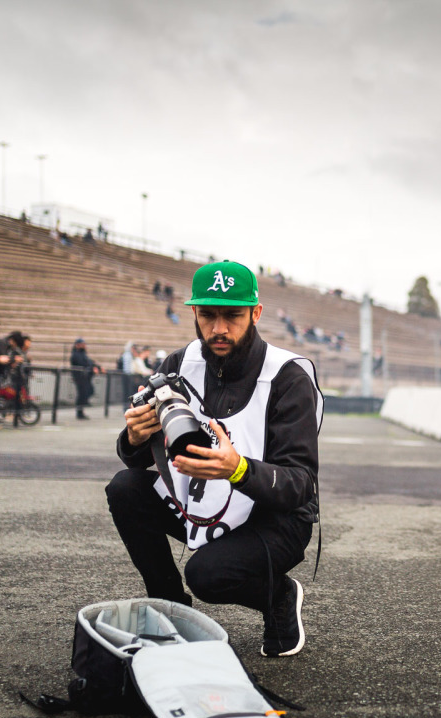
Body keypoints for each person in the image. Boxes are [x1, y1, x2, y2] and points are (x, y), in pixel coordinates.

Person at [106, 260, 323, 658]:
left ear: (255, 313)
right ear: (194, 312)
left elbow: (300, 484)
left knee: (207, 575)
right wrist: (134, 437)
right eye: (207, 315)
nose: (219, 328)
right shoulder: (177, 364)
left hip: (274, 516)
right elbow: (134, 460)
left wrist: (237, 469)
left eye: (232, 315)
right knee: (125, 489)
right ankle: (171, 612)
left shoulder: (287, 376)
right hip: (202, 501)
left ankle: (279, 596)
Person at [70, 338, 103, 420]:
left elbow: (89, 362)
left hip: (86, 378)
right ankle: (79, 411)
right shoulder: (75, 354)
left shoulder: (82, 353)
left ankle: (82, 406)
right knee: (82, 394)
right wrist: (93, 368)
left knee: (89, 391)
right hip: (80, 378)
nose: (84, 346)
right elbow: (83, 364)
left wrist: (97, 367)